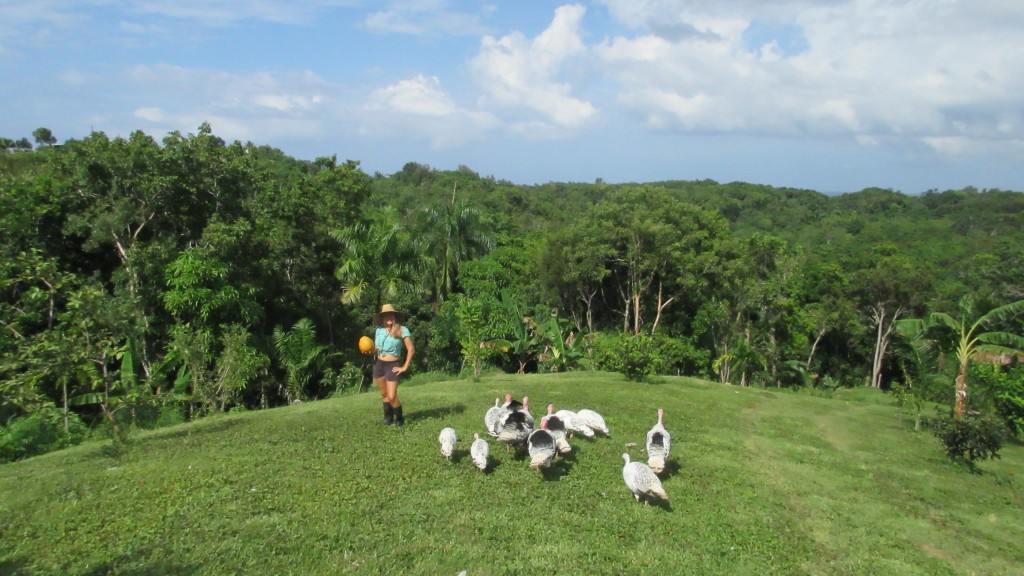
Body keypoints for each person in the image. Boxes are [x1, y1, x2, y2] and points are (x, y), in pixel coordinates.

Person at [367, 304, 414, 427]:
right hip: (378, 364)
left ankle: (399, 417)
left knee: (392, 396)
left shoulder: (402, 330)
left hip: (392, 365)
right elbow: (376, 349)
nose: (388, 317)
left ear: (395, 316)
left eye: (390, 314)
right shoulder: (379, 331)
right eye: (385, 315)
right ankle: (388, 417)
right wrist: (369, 351)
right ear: (382, 318)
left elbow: (411, 349)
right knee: (384, 395)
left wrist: (405, 366)